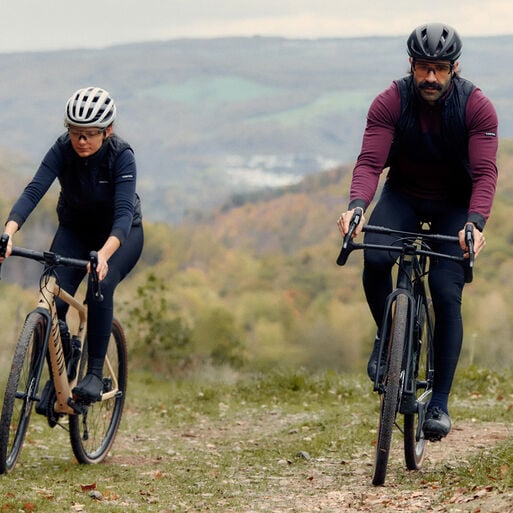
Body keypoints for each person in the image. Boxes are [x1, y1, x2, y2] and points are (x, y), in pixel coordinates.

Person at [337, 23, 498, 440]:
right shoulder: (391, 100)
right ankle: (388, 337)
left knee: (446, 292)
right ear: (411, 65)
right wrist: (357, 207)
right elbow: (370, 163)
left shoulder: (476, 107)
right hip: (404, 195)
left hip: (454, 206)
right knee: (375, 255)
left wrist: (475, 223)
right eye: (424, 68)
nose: (430, 77)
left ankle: (439, 403)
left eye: (440, 69)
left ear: (454, 68)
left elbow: (484, 174)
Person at [1, 86, 144, 404]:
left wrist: (105, 255)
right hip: (75, 231)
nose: (81, 141)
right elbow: (34, 189)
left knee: (101, 284)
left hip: (119, 236)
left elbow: (122, 215)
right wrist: (9, 232)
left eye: (90, 134)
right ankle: (60, 363)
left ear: (107, 131)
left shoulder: (121, 156)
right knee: (53, 300)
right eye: (75, 133)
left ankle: (93, 374)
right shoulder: (63, 149)